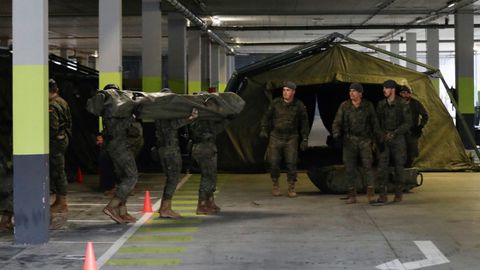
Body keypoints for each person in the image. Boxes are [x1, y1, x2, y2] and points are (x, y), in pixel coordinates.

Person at [332, 83, 380, 204]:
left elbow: (374, 123)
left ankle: (370, 195)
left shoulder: (368, 106)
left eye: (354, 91)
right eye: (350, 91)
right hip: (349, 141)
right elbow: (337, 122)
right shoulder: (344, 106)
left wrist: (378, 139)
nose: (351, 93)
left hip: (365, 140)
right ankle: (352, 195)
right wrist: (336, 135)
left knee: (368, 167)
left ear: (360, 93)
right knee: (349, 168)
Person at [260, 81, 309, 198]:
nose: (285, 92)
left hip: (291, 137)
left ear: (293, 92)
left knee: (292, 162)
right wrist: (263, 129)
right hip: (276, 136)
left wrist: (305, 139)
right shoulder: (276, 103)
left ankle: (291, 186)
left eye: (288, 90)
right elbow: (266, 117)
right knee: (273, 162)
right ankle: (275, 184)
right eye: (284, 90)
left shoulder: (299, 105)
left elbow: (304, 123)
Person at [155, 88, 198, 218]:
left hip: (164, 149)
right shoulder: (165, 113)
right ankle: (165, 209)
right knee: (173, 179)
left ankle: (165, 207)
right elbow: (172, 125)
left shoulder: (158, 111)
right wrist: (190, 118)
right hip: (170, 149)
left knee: (171, 178)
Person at [101, 83, 139, 223]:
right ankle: (112, 207)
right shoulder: (115, 110)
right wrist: (132, 116)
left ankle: (122, 211)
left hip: (114, 146)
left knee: (124, 178)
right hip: (120, 146)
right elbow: (125, 129)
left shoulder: (107, 109)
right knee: (131, 177)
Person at [190, 93, 229, 215]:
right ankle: (201, 205)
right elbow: (211, 131)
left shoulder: (206, 117)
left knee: (211, 176)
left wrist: (225, 120)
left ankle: (210, 202)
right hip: (203, 148)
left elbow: (215, 129)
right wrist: (225, 121)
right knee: (207, 177)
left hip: (208, 147)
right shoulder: (199, 117)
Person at [376, 80, 412, 204]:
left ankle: (398, 194)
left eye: (386, 88)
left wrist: (395, 133)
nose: (384, 90)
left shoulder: (402, 104)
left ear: (392, 89)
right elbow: (377, 123)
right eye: (383, 88)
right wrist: (381, 135)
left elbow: (408, 123)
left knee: (399, 167)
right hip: (384, 139)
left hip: (398, 139)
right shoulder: (381, 104)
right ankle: (382, 195)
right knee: (382, 167)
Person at [48, 79, 72, 229]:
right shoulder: (62, 101)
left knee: (57, 170)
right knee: (59, 169)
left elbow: (52, 127)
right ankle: (59, 200)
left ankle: (62, 202)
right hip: (63, 138)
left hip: (55, 142)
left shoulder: (52, 105)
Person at [399, 85, 429, 167]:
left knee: (412, 151)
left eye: (405, 93)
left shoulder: (416, 104)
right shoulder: (397, 103)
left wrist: (420, 126)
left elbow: (425, 115)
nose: (403, 95)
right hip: (400, 132)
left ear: (409, 94)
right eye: (401, 93)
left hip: (412, 132)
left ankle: (409, 168)